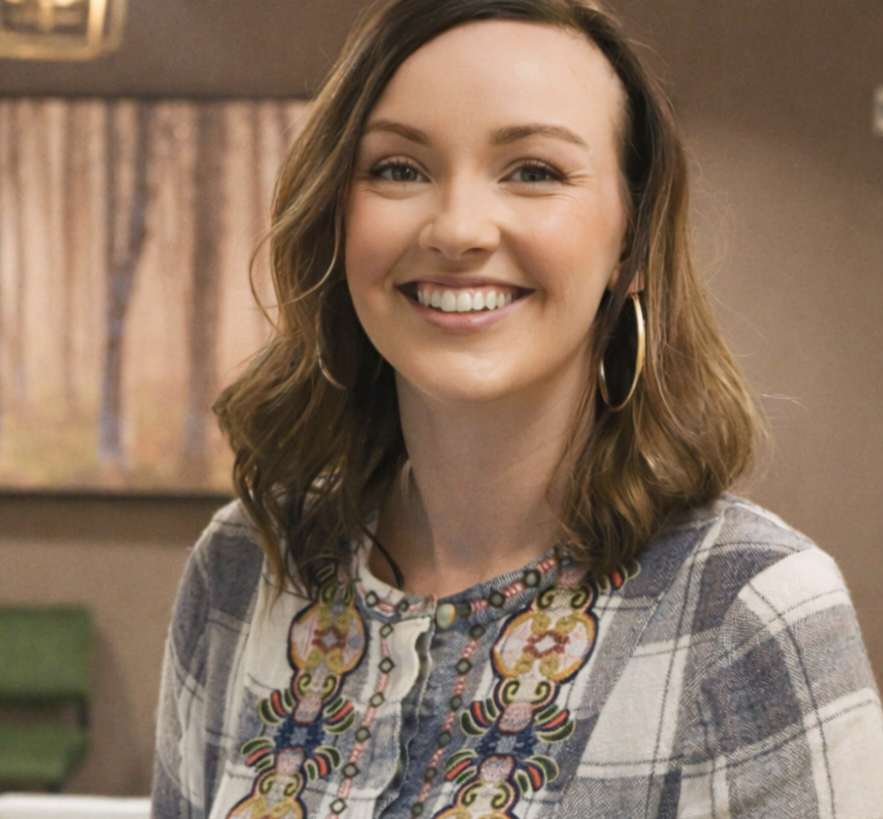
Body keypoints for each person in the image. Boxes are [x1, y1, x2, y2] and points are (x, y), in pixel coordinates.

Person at [151, 0, 883, 815]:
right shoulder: (242, 566)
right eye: (398, 168)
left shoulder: (752, 610)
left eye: (533, 170)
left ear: (631, 245)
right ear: (336, 217)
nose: (459, 228)